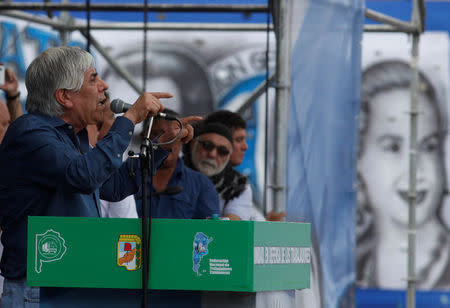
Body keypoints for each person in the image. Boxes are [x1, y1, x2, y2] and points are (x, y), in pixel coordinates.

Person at [0, 46, 197, 307]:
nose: (103, 86)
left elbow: (114, 187)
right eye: (93, 78)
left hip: (72, 285)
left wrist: (163, 144)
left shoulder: (72, 138)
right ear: (64, 96)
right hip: (38, 288)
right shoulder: (29, 132)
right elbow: (82, 176)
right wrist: (129, 119)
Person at [357, 60, 450, 289]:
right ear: (357, 158)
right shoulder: (344, 266)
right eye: (393, 147)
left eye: (428, 147)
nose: (415, 171)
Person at [135, 108, 220, 219]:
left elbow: (212, 232)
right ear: (144, 137)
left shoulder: (201, 185)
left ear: (183, 139)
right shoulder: (126, 175)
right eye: (158, 135)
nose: (168, 141)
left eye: (174, 136)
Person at [204, 110, 285, 221]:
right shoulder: (184, 176)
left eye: (245, 139)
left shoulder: (239, 183)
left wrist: (268, 227)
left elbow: (232, 226)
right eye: (239, 140)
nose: (245, 147)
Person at [184, 122, 263, 220]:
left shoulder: (238, 184)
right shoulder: (172, 171)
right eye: (207, 146)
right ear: (193, 144)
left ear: (229, 156)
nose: (212, 154)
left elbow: (231, 224)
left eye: (222, 151)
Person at [86, 91, 138, 218]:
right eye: (111, 118)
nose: (114, 124)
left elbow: (126, 232)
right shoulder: (64, 156)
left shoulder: (115, 171)